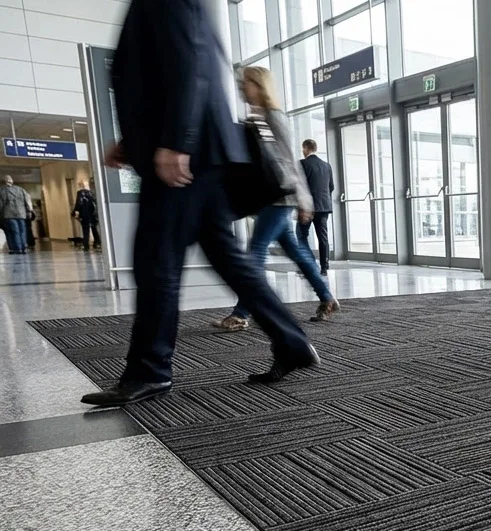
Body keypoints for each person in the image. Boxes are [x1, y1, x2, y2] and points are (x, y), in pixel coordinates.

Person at [82, 0, 318, 408]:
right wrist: (137, 139)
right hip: (197, 152)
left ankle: (150, 371)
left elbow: (189, 64)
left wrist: (177, 140)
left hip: (187, 155)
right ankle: (292, 341)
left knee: (156, 262)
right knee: (229, 259)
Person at [213, 67, 339, 330]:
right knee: (299, 253)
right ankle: (327, 298)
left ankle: (241, 313)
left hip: (281, 197)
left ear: (259, 86)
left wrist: (304, 199)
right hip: (271, 197)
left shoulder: (274, 117)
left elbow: (288, 160)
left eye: (245, 83)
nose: (241, 87)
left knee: (256, 252)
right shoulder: (256, 119)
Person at [297, 138, 334, 276]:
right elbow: (331, 187)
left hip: (307, 207)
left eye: (303, 149)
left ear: (305, 148)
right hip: (323, 207)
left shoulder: (302, 164)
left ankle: (309, 265)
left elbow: (299, 186)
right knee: (323, 237)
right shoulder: (326, 166)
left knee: (301, 236)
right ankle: (324, 267)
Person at [0, 175, 32, 255]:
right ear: (12, 181)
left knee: (13, 232)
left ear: (4, 181)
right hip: (21, 214)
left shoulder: (1, 190)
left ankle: (16, 249)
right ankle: (23, 247)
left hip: (8, 214)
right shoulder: (20, 189)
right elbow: (28, 200)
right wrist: (29, 211)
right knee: (22, 231)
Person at [73, 183, 101, 251]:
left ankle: (86, 245)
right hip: (93, 214)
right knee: (94, 228)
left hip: (85, 214)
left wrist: (76, 211)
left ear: (80, 186)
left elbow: (79, 203)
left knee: (86, 230)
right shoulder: (91, 193)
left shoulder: (80, 193)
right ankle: (97, 242)